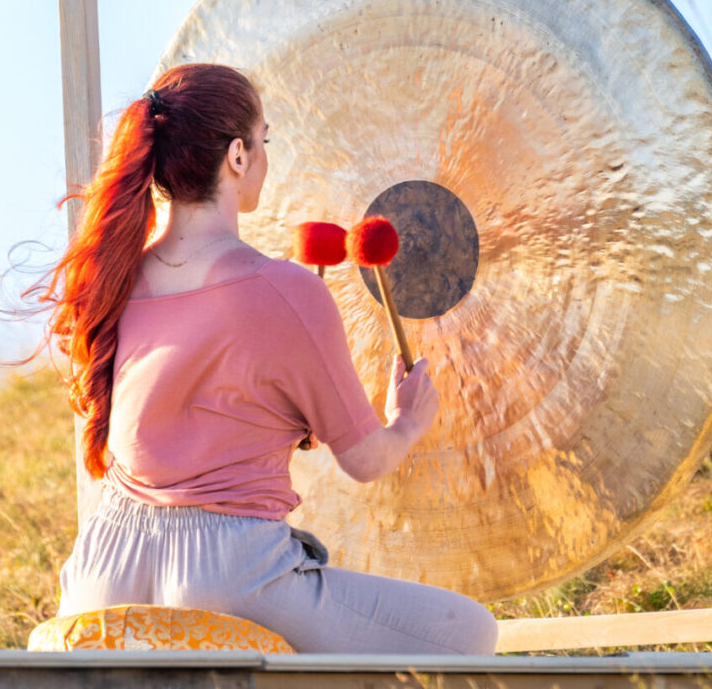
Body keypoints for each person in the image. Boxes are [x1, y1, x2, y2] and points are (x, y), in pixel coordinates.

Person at [28, 62, 497, 655]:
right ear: (238, 156)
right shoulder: (286, 291)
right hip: (227, 573)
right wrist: (407, 419)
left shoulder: (118, 276)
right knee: (470, 633)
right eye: (264, 140)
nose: (266, 159)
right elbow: (365, 460)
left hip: (100, 571)